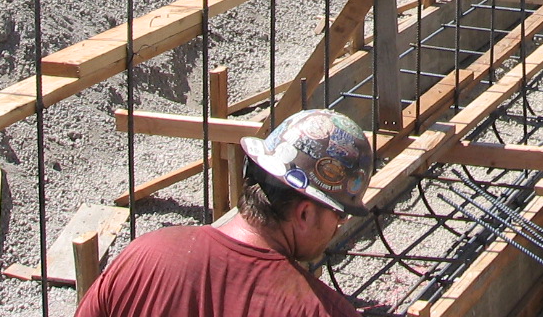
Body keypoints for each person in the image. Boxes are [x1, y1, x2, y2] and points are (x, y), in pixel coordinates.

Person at [77, 109, 373, 317]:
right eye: (340, 215)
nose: (337, 228)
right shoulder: (320, 310)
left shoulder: (142, 256)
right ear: (305, 214)